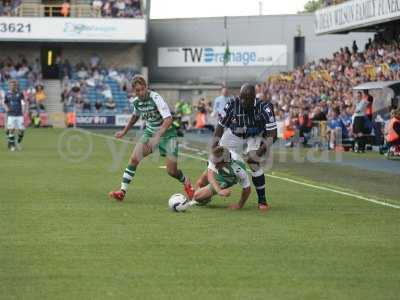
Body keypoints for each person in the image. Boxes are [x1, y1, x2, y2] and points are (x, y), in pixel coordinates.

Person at [109, 75, 194, 201]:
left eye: (142, 89)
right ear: (134, 91)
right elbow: (135, 116)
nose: (141, 92)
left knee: (172, 171)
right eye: (137, 90)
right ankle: (122, 191)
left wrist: (158, 136)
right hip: (149, 133)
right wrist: (124, 131)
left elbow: (168, 119)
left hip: (168, 135)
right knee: (134, 159)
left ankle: (187, 183)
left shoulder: (156, 98)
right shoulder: (137, 102)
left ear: (146, 87)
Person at [212, 83, 277, 212]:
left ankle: (262, 200)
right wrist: (215, 146)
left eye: (246, 98)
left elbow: (273, 135)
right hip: (235, 133)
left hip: (255, 135)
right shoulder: (232, 104)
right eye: (241, 97)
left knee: (253, 162)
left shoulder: (264, 108)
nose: (242, 101)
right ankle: (205, 185)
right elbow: (220, 127)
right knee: (216, 156)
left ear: (253, 98)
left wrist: (258, 153)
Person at [4, 80, 25, 151]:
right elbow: (5, 102)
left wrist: (23, 109)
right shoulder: (7, 94)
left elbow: (23, 103)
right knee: (11, 130)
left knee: (22, 130)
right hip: (11, 114)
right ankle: (12, 146)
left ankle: (18, 141)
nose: (12, 86)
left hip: (19, 114)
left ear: (16, 86)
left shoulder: (20, 93)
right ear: (9, 86)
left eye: (13, 85)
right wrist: (6, 108)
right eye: (11, 85)